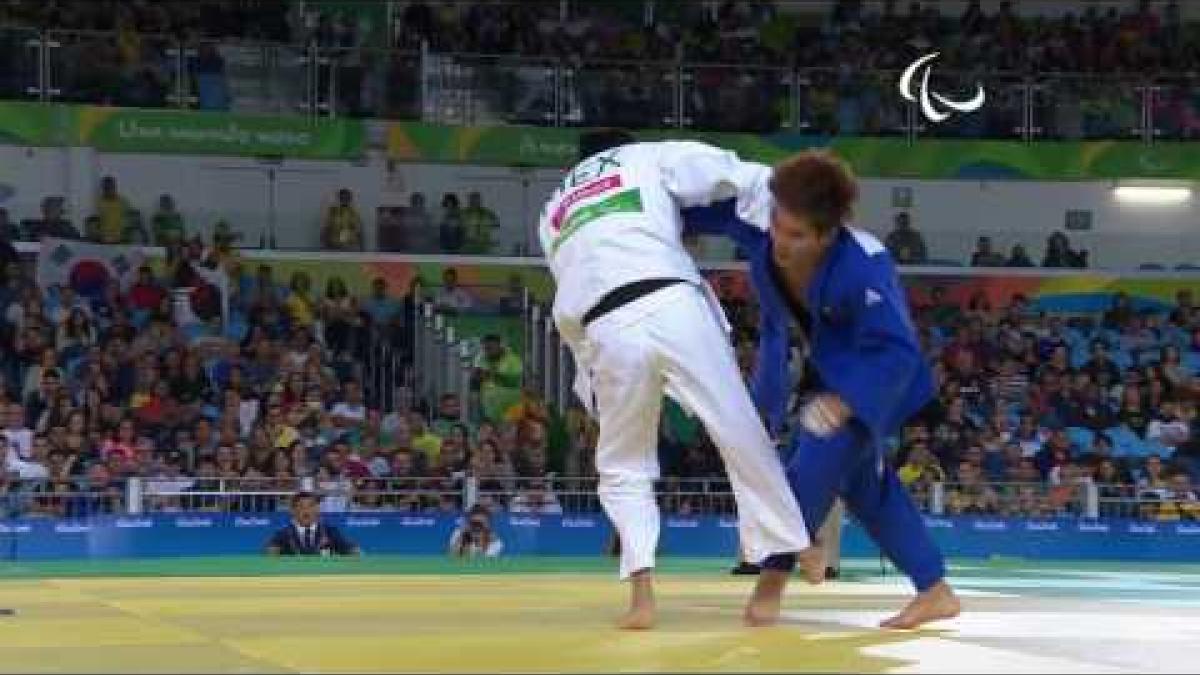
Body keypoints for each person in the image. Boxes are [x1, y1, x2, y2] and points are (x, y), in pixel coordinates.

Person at [536, 129, 818, 630]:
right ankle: (795, 544)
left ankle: (641, 597)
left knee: (623, 464)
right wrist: (783, 216)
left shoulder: (554, 209)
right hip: (671, 302)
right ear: (620, 146)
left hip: (604, 326)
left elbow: (569, 291)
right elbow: (735, 171)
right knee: (739, 430)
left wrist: (591, 374)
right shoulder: (643, 156)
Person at [685, 149, 961, 630]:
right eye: (777, 226)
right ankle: (934, 589)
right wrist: (661, 215)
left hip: (879, 379)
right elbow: (719, 218)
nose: (780, 243)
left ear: (826, 235)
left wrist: (846, 399)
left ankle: (772, 578)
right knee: (865, 487)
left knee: (818, 453)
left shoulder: (865, 268)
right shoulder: (767, 239)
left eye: (796, 236)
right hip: (825, 370)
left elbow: (897, 353)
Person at [265, 491, 361, 556]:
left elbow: (352, 550)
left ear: (317, 509)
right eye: (301, 507)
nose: (306, 511)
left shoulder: (330, 531)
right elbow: (271, 553)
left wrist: (354, 552)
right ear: (293, 511)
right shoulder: (283, 533)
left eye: (311, 506)